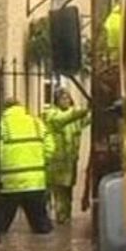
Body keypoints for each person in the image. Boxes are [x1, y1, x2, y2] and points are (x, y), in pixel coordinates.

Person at [0, 97, 54, 239]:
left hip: (11, 180)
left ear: (5, 110)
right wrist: (40, 162)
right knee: (40, 222)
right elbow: (50, 147)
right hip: (35, 180)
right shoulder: (37, 123)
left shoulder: (2, 125)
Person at [43, 87, 90, 224]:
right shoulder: (51, 114)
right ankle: (59, 216)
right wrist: (82, 111)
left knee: (68, 189)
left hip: (71, 161)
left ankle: (66, 216)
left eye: (68, 98)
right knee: (58, 190)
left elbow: (88, 119)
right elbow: (63, 119)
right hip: (56, 161)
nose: (66, 101)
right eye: (62, 98)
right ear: (56, 101)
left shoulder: (76, 117)